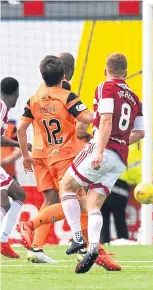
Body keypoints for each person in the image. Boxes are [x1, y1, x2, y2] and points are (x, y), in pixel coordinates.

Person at [17, 55, 122, 271]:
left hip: (44, 153)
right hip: (65, 155)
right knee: (80, 204)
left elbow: (21, 127)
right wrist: (106, 115)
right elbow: (86, 119)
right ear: (67, 72)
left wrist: (26, 154)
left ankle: (42, 246)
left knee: (60, 200)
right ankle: (31, 225)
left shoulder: (36, 96)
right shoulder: (66, 95)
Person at [59, 52, 145, 273]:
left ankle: (78, 238)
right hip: (119, 159)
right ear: (125, 73)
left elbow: (105, 119)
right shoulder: (135, 98)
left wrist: (98, 150)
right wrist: (119, 141)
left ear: (106, 70)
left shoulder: (105, 87)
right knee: (93, 204)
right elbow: (140, 132)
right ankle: (93, 247)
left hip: (103, 150)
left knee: (66, 185)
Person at [22, 52, 76, 263]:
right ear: (68, 71)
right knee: (74, 198)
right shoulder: (63, 90)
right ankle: (86, 244)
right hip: (54, 152)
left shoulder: (41, 89)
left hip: (38, 150)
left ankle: (36, 247)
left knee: (52, 199)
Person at [0, 77, 27, 259]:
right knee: (6, 201)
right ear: (16, 93)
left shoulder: (4, 109)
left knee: (18, 195)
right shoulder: (1, 106)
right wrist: (22, 145)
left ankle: (3, 241)